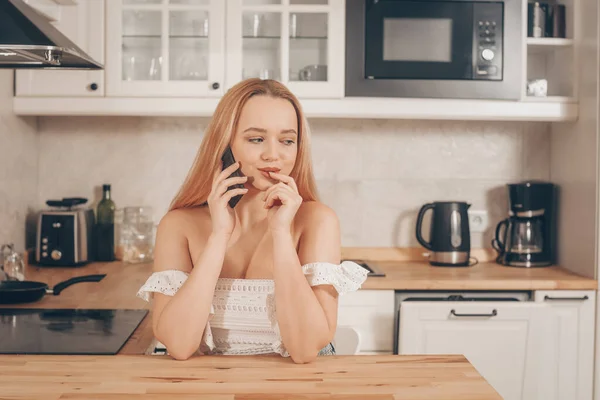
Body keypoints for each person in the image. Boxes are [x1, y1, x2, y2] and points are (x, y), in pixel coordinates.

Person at [137, 78, 368, 363]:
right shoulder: (178, 225)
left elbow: (305, 349)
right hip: (215, 388)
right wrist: (219, 235)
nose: (274, 154)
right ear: (225, 145)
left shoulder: (317, 221)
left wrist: (281, 233)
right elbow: (179, 346)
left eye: (287, 140)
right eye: (256, 139)